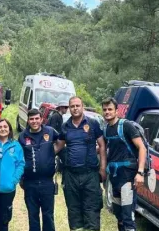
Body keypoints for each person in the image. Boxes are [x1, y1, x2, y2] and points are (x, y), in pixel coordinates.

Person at [57, 96, 106, 231]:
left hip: (90, 174)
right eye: (72, 106)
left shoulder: (93, 123)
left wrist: (102, 168)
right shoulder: (65, 127)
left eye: (77, 105)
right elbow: (58, 147)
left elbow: (102, 145)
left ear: (82, 106)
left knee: (92, 209)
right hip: (71, 175)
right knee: (73, 210)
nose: (75, 108)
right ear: (69, 108)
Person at [101, 97, 147, 231]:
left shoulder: (126, 126)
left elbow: (142, 148)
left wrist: (140, 173)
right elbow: (104, 148)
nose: (107, 112)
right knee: (119, 216)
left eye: (110, 109)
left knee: (128, 218)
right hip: (115, 180)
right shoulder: (106, 129)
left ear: (117, 111)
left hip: (127, 179)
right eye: (105, 110)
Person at [19, 109, 63, 231]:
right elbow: (19, 158)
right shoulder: (22, 137)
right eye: (31, 119)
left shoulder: (50, 131)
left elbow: (61, 142)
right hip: (29, 182)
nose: (34, 121)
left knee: (48, 215)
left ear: (41, 119)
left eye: (37, 118)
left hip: (47, 182)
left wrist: (51, 153)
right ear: (28, 120)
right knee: (32, 216)